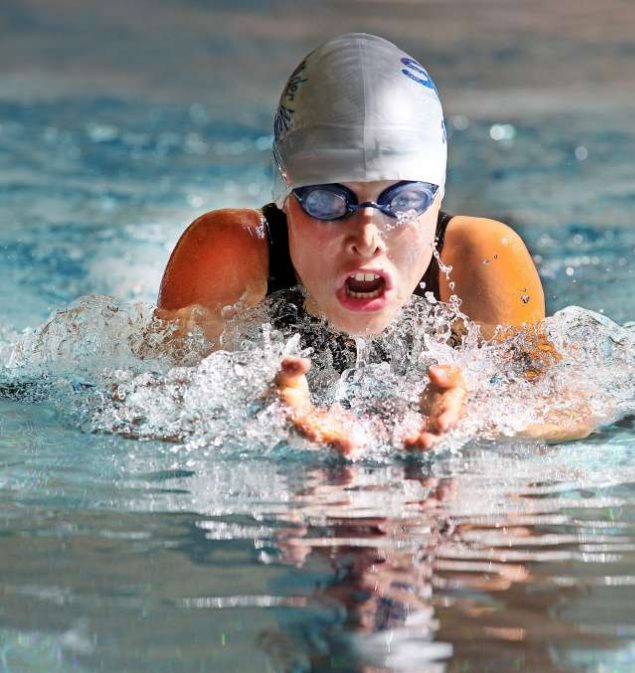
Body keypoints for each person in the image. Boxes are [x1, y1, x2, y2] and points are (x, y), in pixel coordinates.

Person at [156, 33, 594, 455]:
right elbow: (138, 406)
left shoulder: (480, 256)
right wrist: (255, 412)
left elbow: (574, 410)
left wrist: (478, 418)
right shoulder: (230, 249)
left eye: (403, 201)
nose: (366, 239)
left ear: (437, 197)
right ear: (287, 198)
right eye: (327, 201)